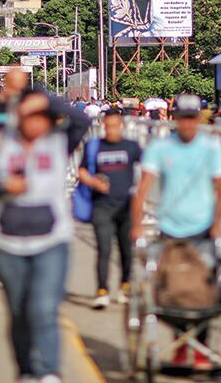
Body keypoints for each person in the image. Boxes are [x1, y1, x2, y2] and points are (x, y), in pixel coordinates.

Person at [0, 88, 92, 383]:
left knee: (44, 307)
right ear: (17, 115)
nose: (36, 122)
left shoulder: (57, 141)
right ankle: (26, 370)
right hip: (6, 244)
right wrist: (3, 187)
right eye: (29, 115)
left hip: (52, 242)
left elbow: (81, 120)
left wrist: (48, 99)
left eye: (42, 116)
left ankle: (48, 371)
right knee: (20, 312)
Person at [130, 93, 221, 370]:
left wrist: (218, 223)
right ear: (174, 119)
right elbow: (143, 189)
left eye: (191, 118)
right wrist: (137, 224)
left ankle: (200, 351)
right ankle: (180, 346)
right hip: (169, 228)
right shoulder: (161, 148)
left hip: (203, 228)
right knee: (173, 290)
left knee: (206, 292)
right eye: (182, 119)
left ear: (198, 119)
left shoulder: (212, 148)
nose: (187, 124)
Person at [78, 108, 142, 310]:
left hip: (126, 206)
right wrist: (93, 183)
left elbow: (149, 166)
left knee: (126, 250)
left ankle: (125, 286)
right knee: (104, 248)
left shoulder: (131, 147)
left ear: (121, 126)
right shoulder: (94, 146)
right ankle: (102, 291)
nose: (111, 131)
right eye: (108, 127)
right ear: (103, 127)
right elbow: (81, 170)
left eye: (115, 126)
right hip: (102, 206)